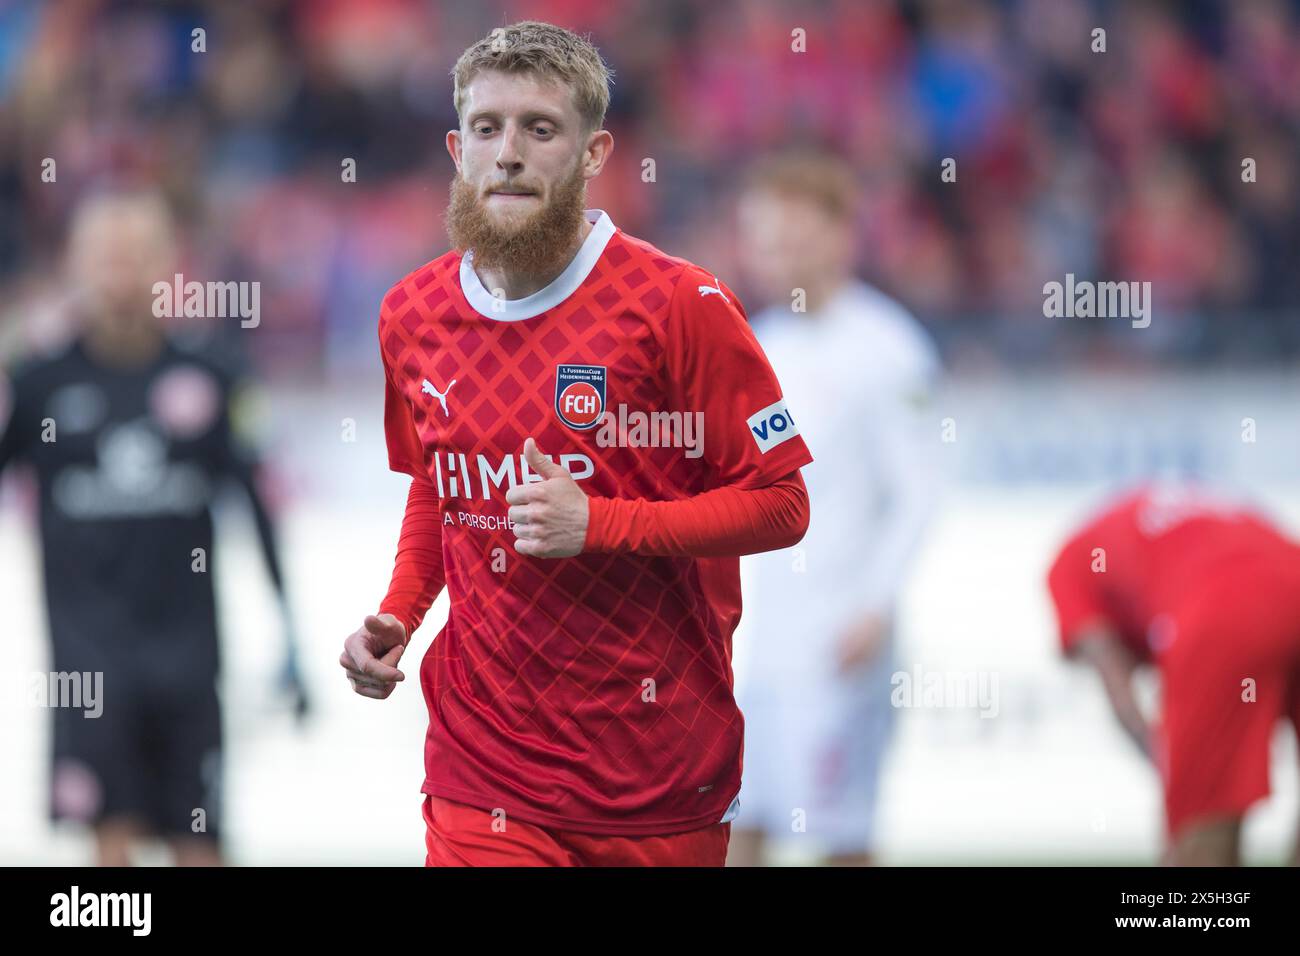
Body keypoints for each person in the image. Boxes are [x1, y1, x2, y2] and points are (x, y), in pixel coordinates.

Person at [337, 21, 813, 867]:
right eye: (487, 129)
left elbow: (782, 504)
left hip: (657, 767)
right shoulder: (411, 314)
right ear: (457, 147)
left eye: (539, 129)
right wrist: (402, 614)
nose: (508, 153)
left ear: (594, 154)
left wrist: (601, 524)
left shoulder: (679, 305)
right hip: (482, 766)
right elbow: (439, 484)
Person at [0, 191, 306, 866]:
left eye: (137, 254)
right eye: (106, 255)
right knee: (110, 853)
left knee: (200, 843)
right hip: (88, 670)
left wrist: (291, 630)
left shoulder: (212, 376)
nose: (121, 271)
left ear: (169, 263)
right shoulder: (37, 382)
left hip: (190, 666)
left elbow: (257, 506)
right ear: (73, 263)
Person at [727, 150, 941, 866]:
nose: (773, 254)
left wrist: (874, 606)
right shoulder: (754, 342)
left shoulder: (888, 348)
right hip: (761, 640)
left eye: (790, 235)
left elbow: (917, 494)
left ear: (840, 235)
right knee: (733, 829)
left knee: (841, 841)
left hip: (841, 638)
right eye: (763, 238)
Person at [1047, 483, 1300, 866]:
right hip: (1289, 569)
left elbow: (1121, 693)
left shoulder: (1067, 566)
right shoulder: (1187, 515)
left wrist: (1174, 771)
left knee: (1197, 845)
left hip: (1223, 616)